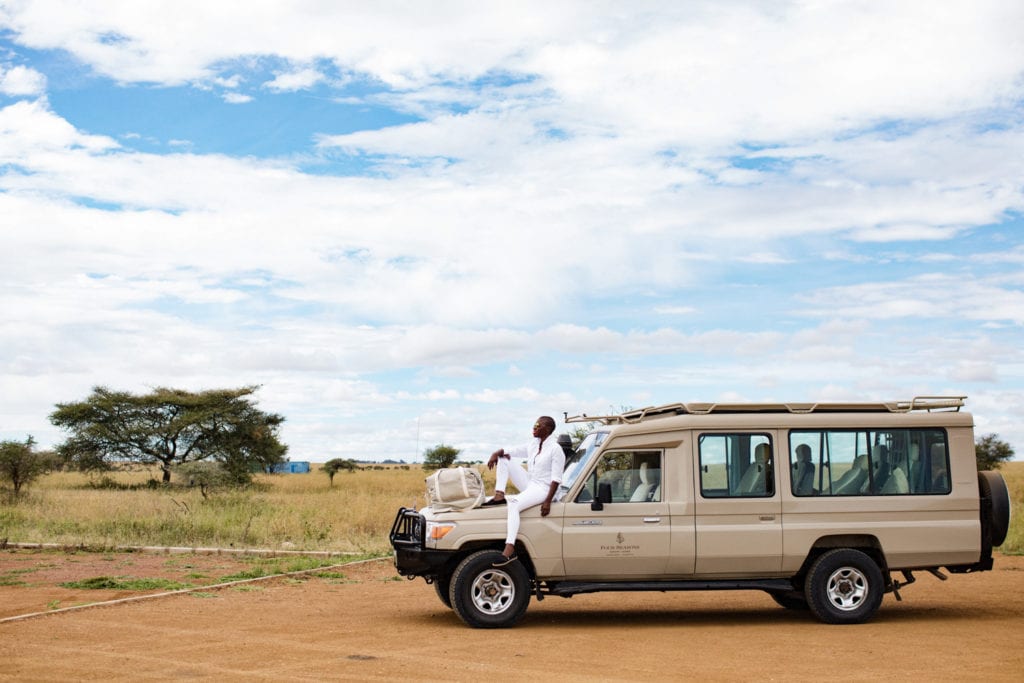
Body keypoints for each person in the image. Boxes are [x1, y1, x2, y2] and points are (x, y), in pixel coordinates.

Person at [483, 415, 565, 566]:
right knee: (504, 457)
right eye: (534, 424)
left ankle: (510, 547)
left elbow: (556, 479)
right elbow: (511, 450)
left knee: (514, 503)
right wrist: (496, 453)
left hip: (545, 488)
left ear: (547, 429)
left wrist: (547, 501)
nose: (534, 428)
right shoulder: (534, 444)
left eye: (537, 426)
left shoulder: (555, 449)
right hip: (532, 483)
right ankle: (499, 494)